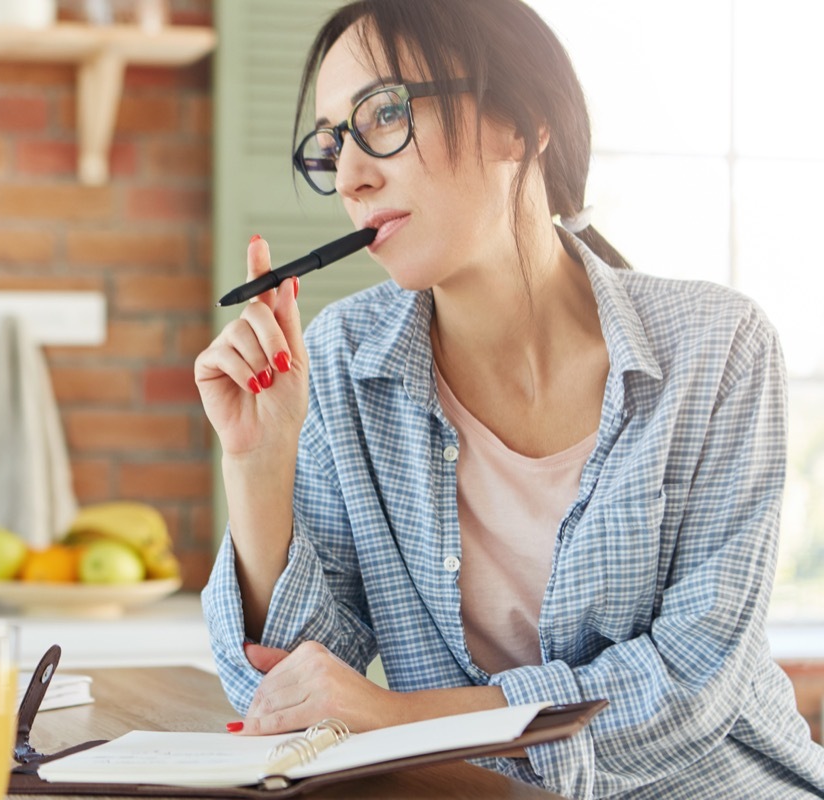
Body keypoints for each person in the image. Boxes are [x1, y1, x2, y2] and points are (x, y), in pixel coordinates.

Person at [193, 1, 824, 798]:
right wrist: (257, 466)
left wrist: (402, 719)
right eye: (332, 144)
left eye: (384, 113)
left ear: (519, 125)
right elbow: (278, 696)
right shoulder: (344, 363)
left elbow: (690, 689)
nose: (350, 178)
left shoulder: (720, 347)